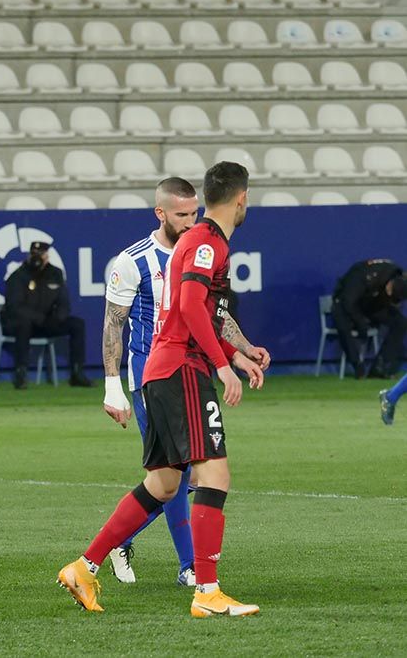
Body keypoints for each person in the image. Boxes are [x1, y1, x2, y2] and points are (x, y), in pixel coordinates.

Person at [59, 161, 265, 617]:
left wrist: (238, 353)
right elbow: (190, 306)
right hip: (182, 369)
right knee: (214, 475)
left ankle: (83, 567)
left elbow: (197, 312)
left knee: (165, 483)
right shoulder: (208, 243)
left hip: (162, 369)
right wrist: (222, 366)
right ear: (242, 198)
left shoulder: (195, 242)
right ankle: (206, 591)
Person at [103, 178, 270, 587]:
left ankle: (118, 542)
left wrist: (243, 349)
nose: (190, 220)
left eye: (194, 212)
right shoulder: (132, 261)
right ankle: (189, 566)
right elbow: (113, 325)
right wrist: (112, 387)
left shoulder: (196, 246)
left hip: (189, 371)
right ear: (160, 213)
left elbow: (210, 315)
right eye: (181, 214)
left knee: (182, 477)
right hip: (153, 377)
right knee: (181, 477)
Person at [1, 241, 92, 389]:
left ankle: (77, 373)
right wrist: (38, 318)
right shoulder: (17, 276)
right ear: (29, 255)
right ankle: (21, 374)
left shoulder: (55, 273)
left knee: (77, 324)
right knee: (23, 324)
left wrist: (58, 318)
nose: (37, 257)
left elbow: (64, 302)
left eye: (41, 254)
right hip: (26, 324)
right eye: (34, 254)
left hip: (48, 322)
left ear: (47, 256)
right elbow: (14, 306)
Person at [331, 260, 406, 379]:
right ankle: (357, 365)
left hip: (370, 303)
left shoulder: (398, 276)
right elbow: (348, 303)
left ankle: (380, 367)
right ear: (389, 287)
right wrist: (361, 323)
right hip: (345, 303)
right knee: (342, 322)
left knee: (400, 322)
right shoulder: (363, 276)